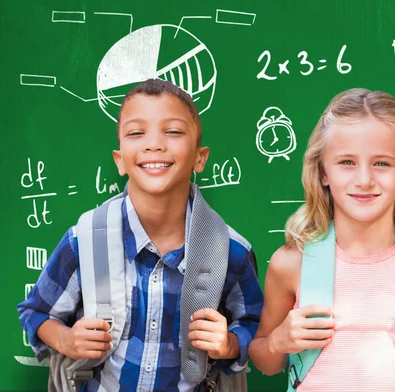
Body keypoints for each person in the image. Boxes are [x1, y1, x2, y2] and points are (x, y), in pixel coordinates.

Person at [17, 79, 264, 391]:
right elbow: (36, 313)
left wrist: (228, 344)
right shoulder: (85, 241)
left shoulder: (230, 252)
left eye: (172, 131)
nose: (154, 144)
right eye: (136, 133)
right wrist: (66, 339)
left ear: (200, 158)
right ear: (119, 160)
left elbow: (255, 327)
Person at [248, 88, 395, 391]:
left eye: (382, 164)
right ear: (323, 171)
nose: (364, 179)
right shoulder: (292, 263)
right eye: (347, 162)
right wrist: (278, 342)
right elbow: (264, 361)